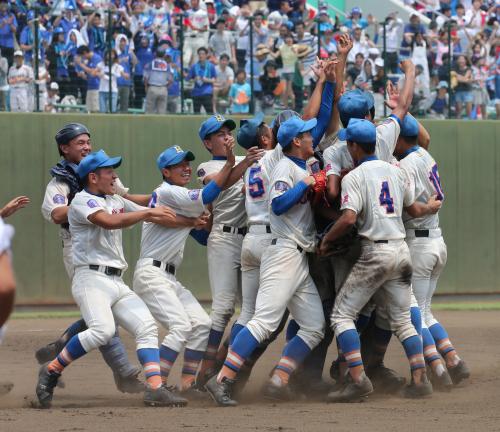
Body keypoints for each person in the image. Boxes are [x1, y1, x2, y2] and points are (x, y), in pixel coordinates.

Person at [35, 149, 188, 409]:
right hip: (90, 279)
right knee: (102, 330)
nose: (114, 175)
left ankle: (154, 388)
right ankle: (51, 370)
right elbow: (108, 221)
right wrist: (148, 214)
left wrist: (193, 220)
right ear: (93, 177)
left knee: (147, 327)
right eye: (109, 171)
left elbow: (148, 205)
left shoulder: (113, 199)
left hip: (117, 282)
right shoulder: (83, 200)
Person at [205, 116, 325, 406]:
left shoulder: (273, 161)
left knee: (314, 325)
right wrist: (306, 183)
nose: (312, 137)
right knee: (263, 322)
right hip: (281, 251)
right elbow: (278, 204)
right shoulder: (281, 163)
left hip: (289, 253)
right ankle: (221, 379)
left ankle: (278, 378)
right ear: (295, 141)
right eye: (306, 134)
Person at [320, 119, 441, 402]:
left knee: (341, 315)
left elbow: (349, 217)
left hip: (376, 252)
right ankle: (420, 379)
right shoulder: (396, 170)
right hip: (401, 250)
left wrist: (326, 240)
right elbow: (414, 208)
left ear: (352, 146)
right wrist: (432, 206)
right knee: (403, 320)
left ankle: (358, 379)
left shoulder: (354, 176)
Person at [36, 123, 150, 396]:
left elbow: (122, 197)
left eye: (88, 141)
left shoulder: (99, 172)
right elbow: (56, 213)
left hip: (105, 245)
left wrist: (162, 199)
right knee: (104, 319)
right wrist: (86, 202)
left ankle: (63, 344)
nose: (86, 146)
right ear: (65, 148)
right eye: (80, 143)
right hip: (79, 247)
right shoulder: (61, 181)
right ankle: (124, 372)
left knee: (105, 311)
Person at [133, 142, 240, 397]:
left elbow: (202, 230)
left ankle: (187, 383)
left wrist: (200, 220)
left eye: (187, 163)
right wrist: (232, 164)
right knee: (180, 326)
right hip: (151, 273)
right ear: (165, 172)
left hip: (168, 276)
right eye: (178, 165)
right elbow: (206, 195)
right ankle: (155, 385)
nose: (185, 168)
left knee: (202, 323)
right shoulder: (167, 191)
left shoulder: (178, 198)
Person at [395, 115, 470, 388]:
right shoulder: (425, 154)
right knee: (425, 311)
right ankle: (453, 360)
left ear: (402, 139)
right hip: (437, 241)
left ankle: (438, 369)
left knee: (412, 311)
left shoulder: (406, 165)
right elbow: (422, 136)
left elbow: (411, 207)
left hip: (419, 244)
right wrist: (404, 111)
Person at [194, 115, 264, 387]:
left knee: (252, 310)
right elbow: (218, 182)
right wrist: (243, 161)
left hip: (248, 240)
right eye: (219, 134)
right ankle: (204, 371)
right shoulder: (206, 166)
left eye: (227, 132)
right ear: (207, 143)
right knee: (223, 309)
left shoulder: (248, 162)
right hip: (223, 238)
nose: (226, 137)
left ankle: (222, 360)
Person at [186, 47, 216, 114]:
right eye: (199, 54)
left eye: (203, 54)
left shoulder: (211, 66)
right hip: (196, 93)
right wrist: (194, 79)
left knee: (210, 113)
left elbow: (214, 80)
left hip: (207, 92)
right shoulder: (194, 66)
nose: (201, 55)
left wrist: (206, 80)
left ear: (206, 55)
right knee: (196, 114)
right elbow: (188, 79)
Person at [98, 49, 128, 113]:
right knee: (102, 111)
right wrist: (99, 74)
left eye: (112, 54)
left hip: (113, 90)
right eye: (108, 54)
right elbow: (94, 72)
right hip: (102, 90)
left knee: (112, 111)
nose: (110, 56)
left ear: (114, 56)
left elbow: (124, 75)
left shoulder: (117, 66)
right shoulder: (101, 64)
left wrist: (125, 75)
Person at [143, 47, 170, 115]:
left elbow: (146, 77)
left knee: (149, 111)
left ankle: (149, 125)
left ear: (155, 54)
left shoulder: (150, 64)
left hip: (152, 87)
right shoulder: (167, 65)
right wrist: (166, 87)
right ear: (164, 55)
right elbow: (171, 79)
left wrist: (146, 87)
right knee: (161, 112)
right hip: (163, 88)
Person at [75, 45, 102, 113]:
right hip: (90, 87)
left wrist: (80, 64)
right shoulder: (89, 61)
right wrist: (84, 76)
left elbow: (93, 71)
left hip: (97, 87)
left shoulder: (96, 58)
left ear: (85, 53)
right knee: (90, 110)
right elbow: (89, 74)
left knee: (96, 110)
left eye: (82, 56)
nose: (83, 58)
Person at [183, 0, 209, 67]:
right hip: (188, 38)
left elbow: (205, 28)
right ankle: (184, 76)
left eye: (195, 1)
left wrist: (197, 29)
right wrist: (185, 19)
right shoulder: (187, 12)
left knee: (196, 61)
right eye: (192, 1)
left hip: (198, 38)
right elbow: (185, 28)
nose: (193, 2)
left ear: (198, 2)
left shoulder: (203, 13)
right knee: (185, 59)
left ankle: (195, 76)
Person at [116, 34, 136, 113]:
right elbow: (109, 63)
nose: (123, 43)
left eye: (124, 41)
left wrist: (131, 52)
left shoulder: (128, 53)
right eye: (121, 41)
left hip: (126, 83)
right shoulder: (114, 52)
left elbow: (135, 62)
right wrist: (121, 60)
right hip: (116, 83)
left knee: (124, 106)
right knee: (113, 105)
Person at [453, 54, 473, 118]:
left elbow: (464, 78)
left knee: (468, 110)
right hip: (458, 90)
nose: (461, 61)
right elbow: (464, 79)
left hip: (467, 90)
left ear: (465, 61)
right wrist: (467, 80)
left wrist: (457, 76)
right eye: (459, 59)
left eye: (462, 59)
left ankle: (469, 122)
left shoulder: (469, 69)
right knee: (458, 109)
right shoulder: (455, 69)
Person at [0, 0, 17, 66]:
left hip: (9, 45)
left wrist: (10, 24)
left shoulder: (11, 15)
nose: (3, 4)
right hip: (0, 46)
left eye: (5, 3)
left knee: (9, 66)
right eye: (2, 2)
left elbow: (15, 30)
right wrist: (2, 24)